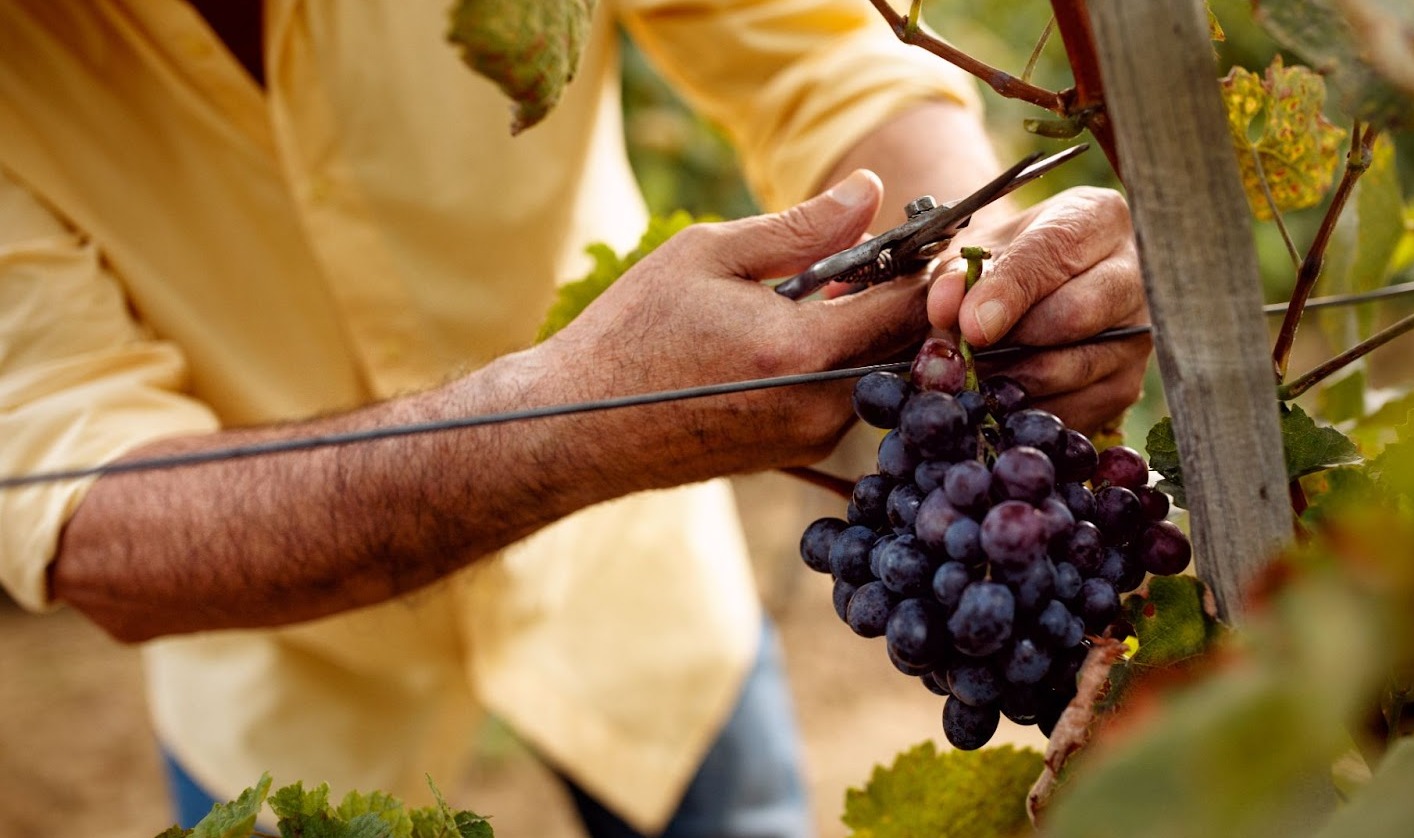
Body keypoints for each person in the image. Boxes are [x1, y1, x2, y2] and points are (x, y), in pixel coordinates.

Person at [0, 1, 1149, 835]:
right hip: (284, 668)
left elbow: (821, 57)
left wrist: (980, 266)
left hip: (639, 615)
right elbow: (81, 508)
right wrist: (570, 419)